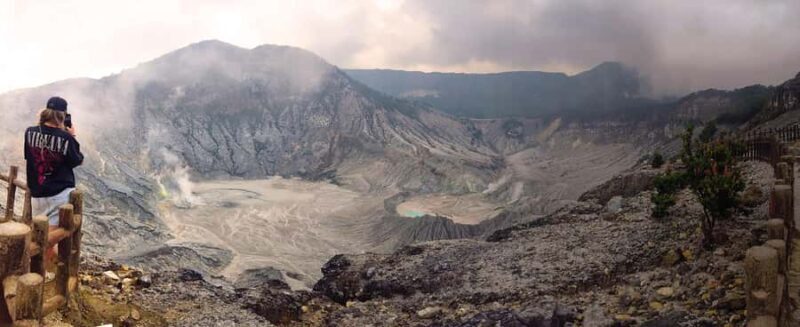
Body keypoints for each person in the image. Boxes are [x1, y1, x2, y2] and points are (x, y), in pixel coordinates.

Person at [23, 96, 84, 270]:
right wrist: (72, 136)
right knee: (50, 238)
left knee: (41, 233)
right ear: (62, 116)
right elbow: (78, 160)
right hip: (59, 194)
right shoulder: (66, 138)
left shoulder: (29, 132)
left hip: (37, 192)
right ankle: (41, 271)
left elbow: (30, 157)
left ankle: (42, 270)